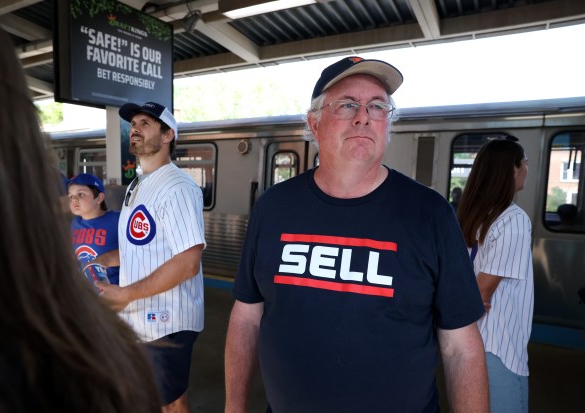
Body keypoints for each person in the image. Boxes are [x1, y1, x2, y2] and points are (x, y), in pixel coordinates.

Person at [224, 56, 488, 413]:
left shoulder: (431, 214)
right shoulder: (273, 209)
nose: (363, 116)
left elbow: (461, 347)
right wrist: (234, 407)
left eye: (378, 106)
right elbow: (246, 316)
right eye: (347, 104)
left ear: (387, 125)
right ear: (314, 124)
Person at [0, 1, 161, 411]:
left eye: (78, 195)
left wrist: (113, 276)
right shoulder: (94, 354)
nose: (71, 202)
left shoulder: (123, 217)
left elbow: (145, 252)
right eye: (68, 196)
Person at [97, 101, 206, 413]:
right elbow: (140, 246)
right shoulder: (139, 183)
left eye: (145, 123)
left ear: (168, 134)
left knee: (170, 401)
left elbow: (188, 262)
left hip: (167, 318)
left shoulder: (177, 186)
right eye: (133, 123)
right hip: (142, 316)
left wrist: (126, 294)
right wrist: (104, 260)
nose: (135, 129)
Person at [457, 137, 534, 413]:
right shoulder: (513, 219)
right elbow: (481, 293)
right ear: (512, 169)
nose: (527, 168)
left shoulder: (473, 214)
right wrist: (476, 299)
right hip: (498, 346)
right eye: (525, 162)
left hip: (469, 341)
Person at [68, 173, 121, 286]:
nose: (74, 200)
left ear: (99, 198)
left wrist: (105, 260)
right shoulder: (74, 223)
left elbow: (135, 253)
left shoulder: (118, 220)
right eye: (71, 196)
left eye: (81, 194)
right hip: (84, 291)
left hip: (112, 289)